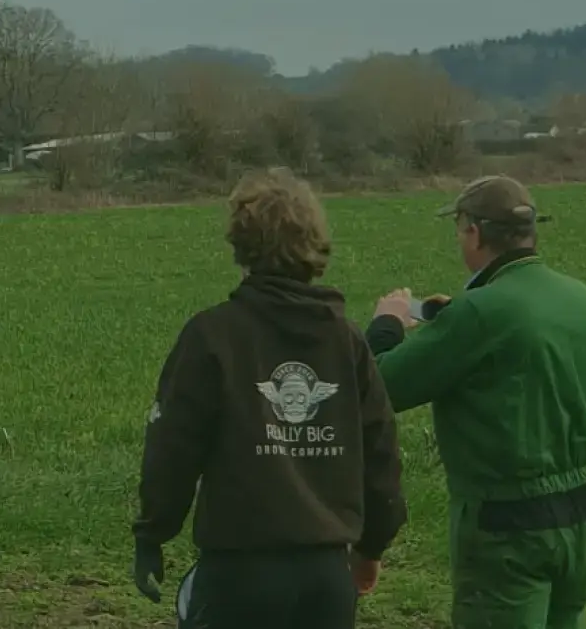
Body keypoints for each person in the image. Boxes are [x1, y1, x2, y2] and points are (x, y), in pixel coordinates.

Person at [133, 169, 408, 628]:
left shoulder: (212, 336)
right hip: (327, 578)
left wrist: (152, 534)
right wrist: (371, 546)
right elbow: (381, 453)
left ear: (241, 245)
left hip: (239, 574)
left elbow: (172, 448)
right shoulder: (347, 342)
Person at [365, 175, 586, 629]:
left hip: (505, 528)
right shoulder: (578, 297)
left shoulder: (477, 314)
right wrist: (453, 318)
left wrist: (387, 326)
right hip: (577, 517)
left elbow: (376, 388)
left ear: (473, 231)